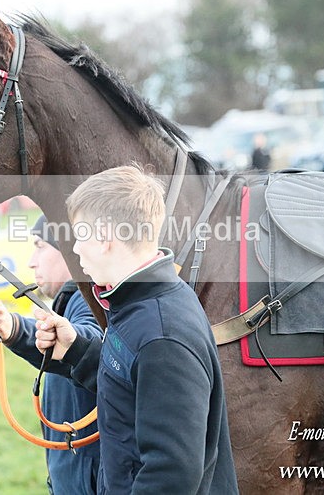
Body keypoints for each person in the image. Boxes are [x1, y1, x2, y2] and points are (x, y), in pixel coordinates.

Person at [34, 165, 239, 494]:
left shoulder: (162, 333)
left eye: (80, 235)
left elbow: (170, 475)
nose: (75, 249)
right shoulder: (136, 302)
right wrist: (77, 350)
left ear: (104, 238)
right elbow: (131, 380)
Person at [0, 215, 102, 494]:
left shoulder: (89, 301)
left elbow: (85, 341)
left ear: (69, 250)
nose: (31, 260)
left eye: (40, 246)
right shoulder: (76, 300)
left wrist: (14, 328)